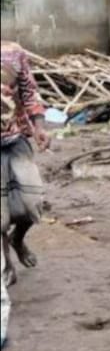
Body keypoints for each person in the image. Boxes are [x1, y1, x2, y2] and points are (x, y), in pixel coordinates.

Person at [1, 41, 48, 288]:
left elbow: (30, 92)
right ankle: (6, 264)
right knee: (0, 216)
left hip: (16, 138)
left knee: (33, 203)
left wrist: (39, 127)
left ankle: (17, 239)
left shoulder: (13, 52)